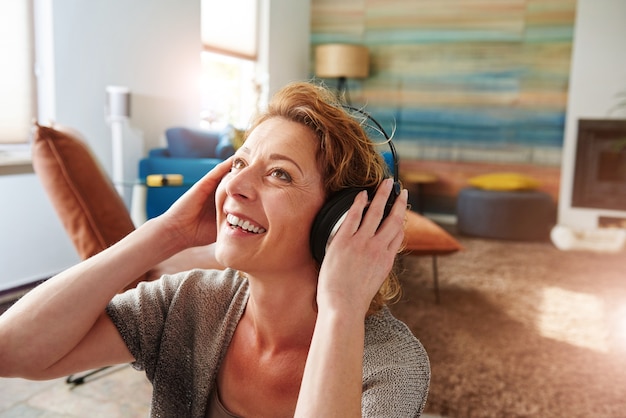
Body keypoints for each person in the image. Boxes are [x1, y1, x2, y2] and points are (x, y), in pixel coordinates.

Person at [0, 81, 430, 417]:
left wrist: (340, 311)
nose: (235, 186)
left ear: (337, 220)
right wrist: (164, 233)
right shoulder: (190, 302)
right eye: (238, 164)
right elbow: (11, 351)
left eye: (279, 174)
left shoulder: (390, 366)